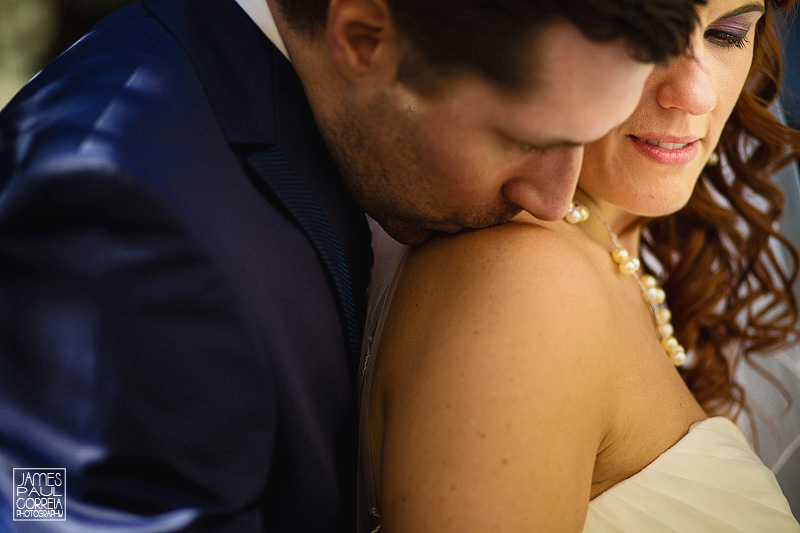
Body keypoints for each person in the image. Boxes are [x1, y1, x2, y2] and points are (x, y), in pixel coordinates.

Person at [0, 0, 704, 531]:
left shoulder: (306, 111)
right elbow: (40, 495)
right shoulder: (117, 197)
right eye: (524, 141)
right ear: (363, 40)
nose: (554, 201)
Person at [359, 0, 800, 530]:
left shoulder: (628, 239)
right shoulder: (525, 281)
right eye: (639, 33)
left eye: (728, 33)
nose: (696, 94)